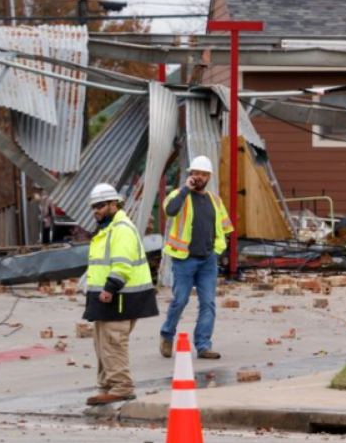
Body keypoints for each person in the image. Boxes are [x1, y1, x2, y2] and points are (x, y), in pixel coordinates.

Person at [84, 184, 160, 406]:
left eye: (99, 206)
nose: (96, 210)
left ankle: (121, 387)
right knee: (102, 344)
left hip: (119, 297)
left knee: (113, 342)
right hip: (106, 298)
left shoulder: (122, 229)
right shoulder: (108, 230)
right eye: (93, 207)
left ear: (113, 204)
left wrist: (110, 288)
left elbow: (123, 265)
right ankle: (107, 386)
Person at [160, 156, 235, 361]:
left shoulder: (215, 200)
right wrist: (186, 189)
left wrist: (218, 252)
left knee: (208, 303)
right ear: (190, 174)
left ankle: (203, 345)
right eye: (196, 173)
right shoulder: (179, 195)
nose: (199, 177)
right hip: (184, 260)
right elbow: (170, 210)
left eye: (203, 174)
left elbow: (225, 228)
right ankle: (167, 335)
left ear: (209, 176)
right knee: (180, 300)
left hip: (208, 261)